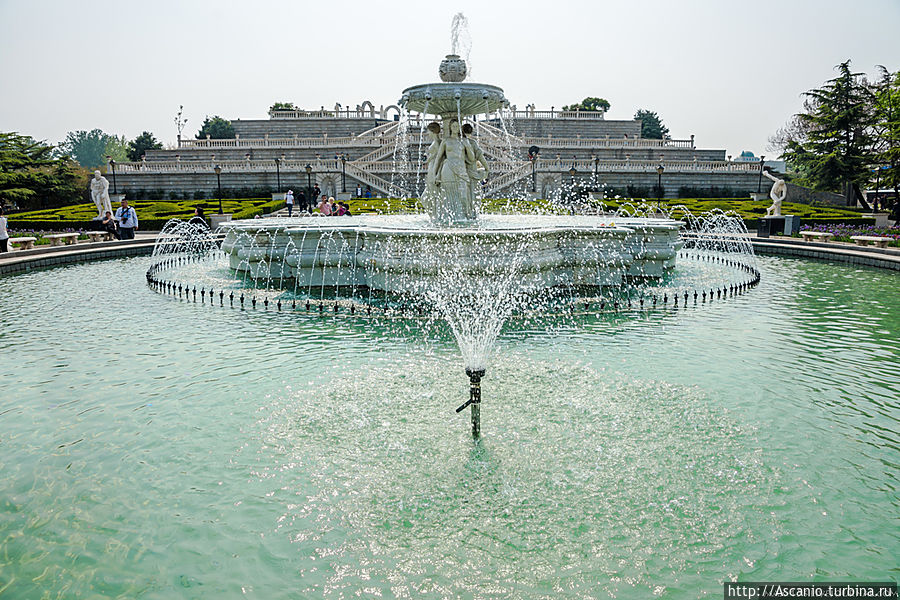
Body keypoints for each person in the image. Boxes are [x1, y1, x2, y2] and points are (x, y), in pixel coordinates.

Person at [433, 118, 471, 223]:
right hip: (448, 169)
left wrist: (468, 146)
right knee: (448, 195)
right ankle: (448, 218)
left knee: (463, 196)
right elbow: (438, 158)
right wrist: (435, 174)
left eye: (457, 126)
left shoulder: (464, 141)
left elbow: (471, 159)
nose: (455, 128)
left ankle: (466, 217)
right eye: (453, 126)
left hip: (461, 169)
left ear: (460, 127)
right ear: (450, 127)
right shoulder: (446, 141)